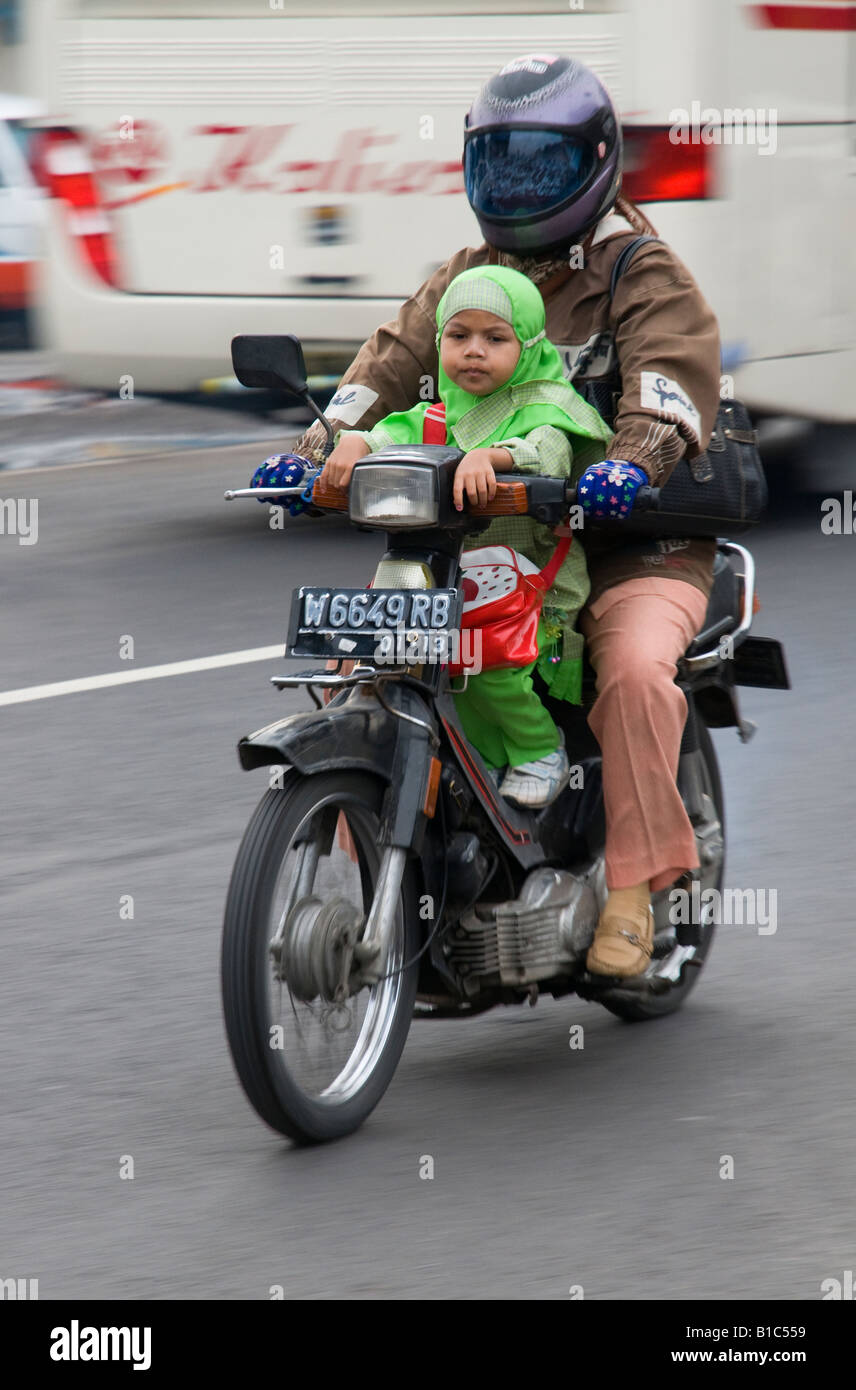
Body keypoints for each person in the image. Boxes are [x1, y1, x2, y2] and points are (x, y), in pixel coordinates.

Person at [292, 53, 722, 979]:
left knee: (636, 674)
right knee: (367, 660)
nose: (518, 185)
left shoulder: (640, 273)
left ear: (596, 160)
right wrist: (316, 448)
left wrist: (631, 462)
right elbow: (386, 368)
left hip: (631, 540)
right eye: (501, 163)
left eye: (542, 164)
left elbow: (669, 389)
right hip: (498, 537)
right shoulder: (469, 277)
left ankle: (637, 890)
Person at [324, 263, 613, 807]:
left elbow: (548, 453)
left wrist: (494, 457)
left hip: (530, 585)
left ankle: (538, 750)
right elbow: (391, 431)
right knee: (364, 657)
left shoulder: (545, 407)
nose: (474, 351)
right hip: (445, 579)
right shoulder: (436, 415)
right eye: (459, 336)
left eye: (495, 338)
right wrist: (354, 444)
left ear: (527, 345)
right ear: (439, 343)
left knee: (483, 668)